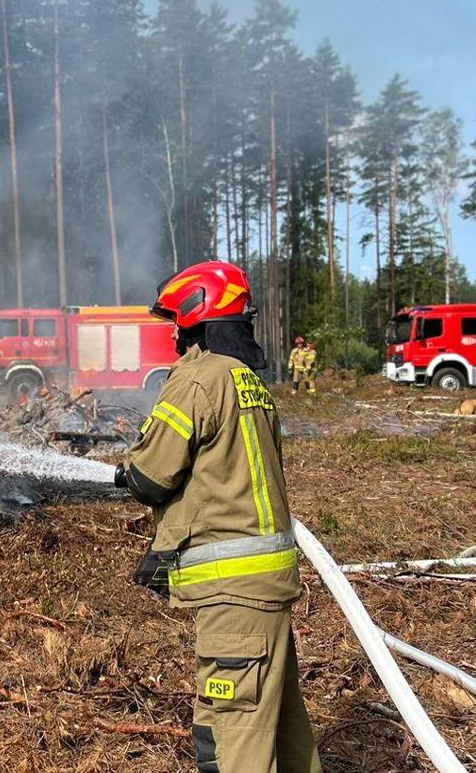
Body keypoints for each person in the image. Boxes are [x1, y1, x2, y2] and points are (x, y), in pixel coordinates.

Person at [113, 260, 318, 773]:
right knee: (283, 731)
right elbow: (225, 479)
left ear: (194, 315)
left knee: (230, 739)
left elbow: (151, 476)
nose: (174, 336)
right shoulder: (246, 379)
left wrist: (126, 470)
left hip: (235, 595)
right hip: (265, 585)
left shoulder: (198, 380)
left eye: (175, 323)